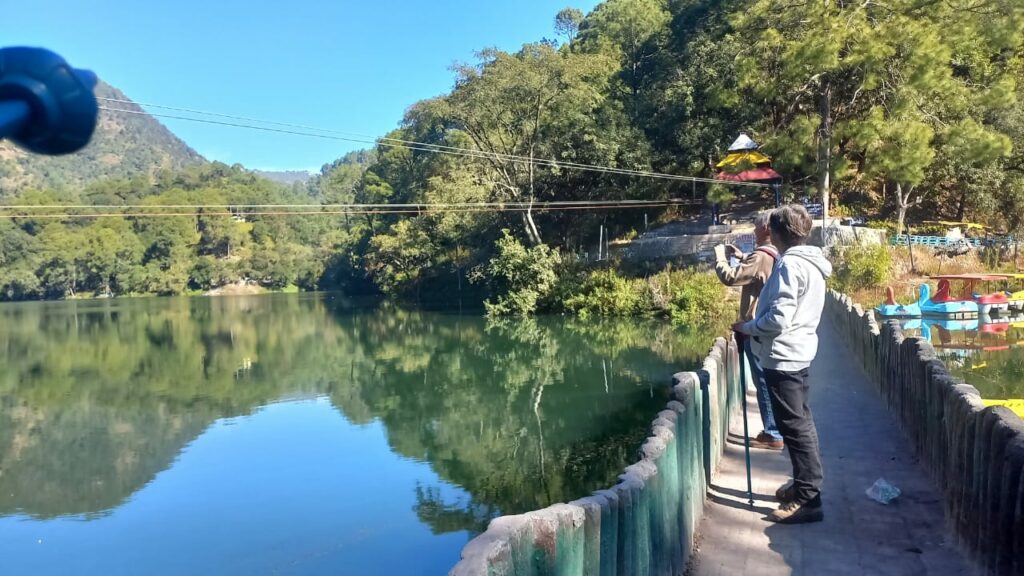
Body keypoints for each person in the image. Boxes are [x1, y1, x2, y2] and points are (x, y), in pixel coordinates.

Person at [733, 204, 832, 524]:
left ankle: (808, 498)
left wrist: (747, 328)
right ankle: (804, 485)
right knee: (799, 422)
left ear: (777, 233)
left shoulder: (790, 265)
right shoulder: (810, 262)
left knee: (795, 427)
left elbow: (777, 319)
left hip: (784, 355)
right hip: (798, 351)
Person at [712, 212, 783, 450]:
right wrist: (742, 256)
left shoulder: (762, 255)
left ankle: (772, 432)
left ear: (765, 230)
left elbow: (731, 277)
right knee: (768, 377)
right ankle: (774, 429)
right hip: (766, 327)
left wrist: (720, 258)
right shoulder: (774, 253)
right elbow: (760, 272)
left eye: (755, 228)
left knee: (761, 379)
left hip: (756, 328)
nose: (753, 232)